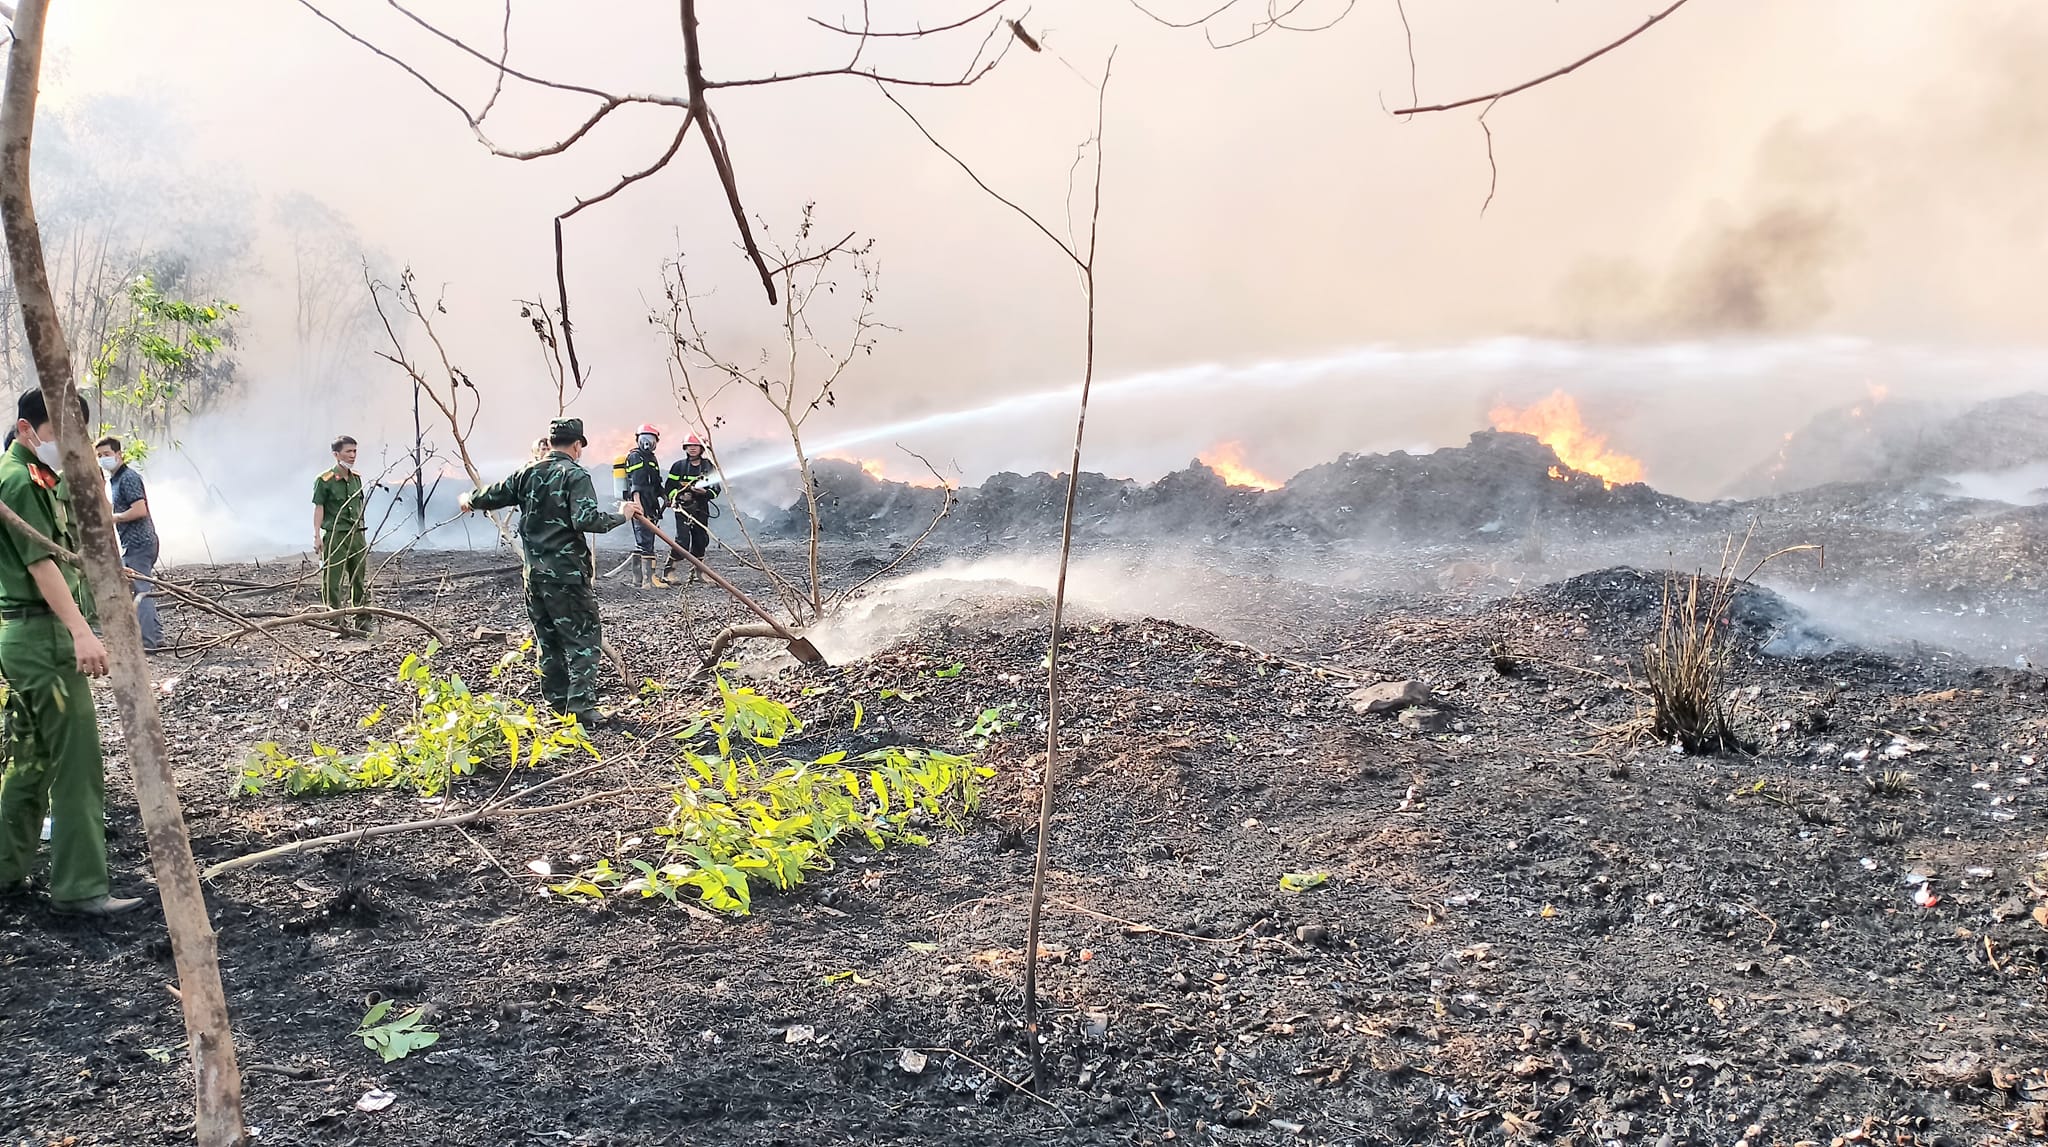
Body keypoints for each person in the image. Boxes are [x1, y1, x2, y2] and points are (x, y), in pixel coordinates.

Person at [0, 388, 142, 915]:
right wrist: (83, 632)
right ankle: (81, 889)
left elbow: (65, 552)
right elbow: (42, 566)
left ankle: (6, 870)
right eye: (63, 433)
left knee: (31, 762)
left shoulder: (35, 477)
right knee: (77, 762)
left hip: (29, 637)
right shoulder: (20, 479)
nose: (73, 446)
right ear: (26, 430)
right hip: (43, 636)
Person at [458, 418, 639, 727]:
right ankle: (581, 709)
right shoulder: (575, 475)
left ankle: (556, 706)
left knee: (549, 641)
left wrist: (467, 500)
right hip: (567, 576)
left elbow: (490, 496)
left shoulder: (528, 472)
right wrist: (622, 515)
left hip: (535, 577)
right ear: (577, 445)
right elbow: (586, 520)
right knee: (583, 640)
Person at [94, 437, 162, 652]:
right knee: (139, 589)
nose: (103, 459)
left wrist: (113, 518)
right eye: (99, 456)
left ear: (118, 454)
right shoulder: (115, 480)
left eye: (106, 454)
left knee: (141, 591)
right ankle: (154, 636)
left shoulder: (128, 478)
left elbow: (140, 509)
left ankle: (149, 642)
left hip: (139, 543)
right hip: (135, 543)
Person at [310, 436, 372, 638]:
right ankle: (335, 624)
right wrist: (317, 535)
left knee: (359, 580)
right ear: (336, 454)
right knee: (332, 580)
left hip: (357, 535)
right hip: (336, 536)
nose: (353, 456)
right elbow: (319, 508)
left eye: (355, 451)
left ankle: (362, 622)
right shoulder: (324, 480)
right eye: (348, 452)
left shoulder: (356, 478)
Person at [621, 424, 674, 589]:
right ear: (638, 440)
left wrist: (665, 497)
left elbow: (656, 483)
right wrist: (637, 504)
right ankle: (649, 581)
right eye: (644, 439)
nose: (647, 443)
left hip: (651, 504)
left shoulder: (651, 458)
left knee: (644, 540)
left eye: (650, 440)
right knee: (646, 540)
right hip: (641, 503)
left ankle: (638, 580)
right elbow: (635, 483)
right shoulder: (635, 457)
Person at [664, 434, 719, 585]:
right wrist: (679, 495)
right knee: (682, 540)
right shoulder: (678, 466)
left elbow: (716, 490)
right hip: (683, 509)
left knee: (701, 540)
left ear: (702, 448)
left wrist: (705, 493)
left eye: (695, 445)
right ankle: (669, 572)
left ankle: (698, 573)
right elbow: (669, 487)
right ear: (685, 448)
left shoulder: (708, 467)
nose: (692, 448)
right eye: (689, 445)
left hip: (701, 508)